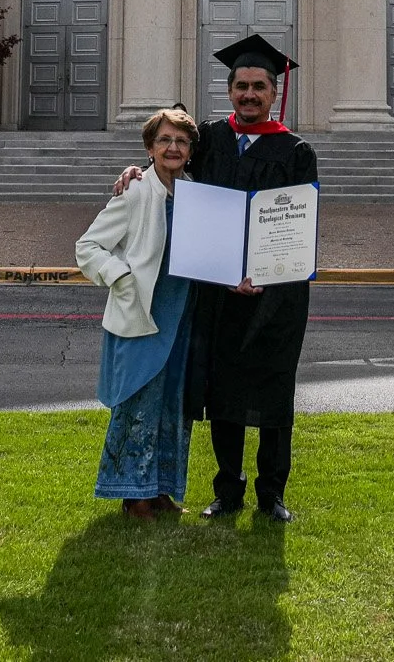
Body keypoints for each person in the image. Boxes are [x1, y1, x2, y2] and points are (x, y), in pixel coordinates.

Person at [115, 34, 317, 523]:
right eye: (241, 86)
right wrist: (135, 172)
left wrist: (263, 272)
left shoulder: (295, 150)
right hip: (217, 289)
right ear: (229, 91)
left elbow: (297, 224)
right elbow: (173, 170)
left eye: (259, 87)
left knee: (273, 391)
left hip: (277, 293)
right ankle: (228, 491)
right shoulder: (210, 139)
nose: (250, 95)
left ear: (274, 92)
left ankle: (272, 494)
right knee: (222, 391)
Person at [76, 108, 199, 521]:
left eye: (181, 141)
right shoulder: (134, 191)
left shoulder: (194, 192)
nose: (173, 148)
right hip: (140, 313)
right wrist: (121, 276)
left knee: (172, 405)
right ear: (150, 147)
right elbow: (89, 247)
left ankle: (162, 489)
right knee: (137, 403)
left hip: (180, 314)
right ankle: (134, 496)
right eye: (165, 140)